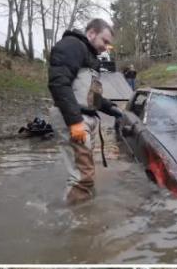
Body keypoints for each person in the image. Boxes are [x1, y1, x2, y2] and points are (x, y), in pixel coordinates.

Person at [48, 18, 125, 205]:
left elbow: (91, 97)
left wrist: (112, 109)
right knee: (83, 178)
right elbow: (59, 83)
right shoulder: (72, 45)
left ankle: (82, 212)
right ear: (91, 33)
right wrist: (75, 122)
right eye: (104, 41)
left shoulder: (90, 57)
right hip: (74, 119)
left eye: (109, 44)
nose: (106, 47)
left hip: (83, 118)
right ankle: (74, 225)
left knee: (85, 174)